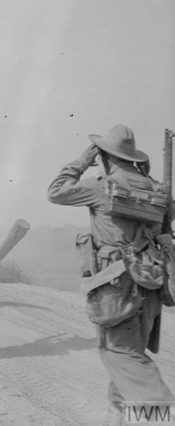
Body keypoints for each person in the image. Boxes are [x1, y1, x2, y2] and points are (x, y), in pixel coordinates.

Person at [47, 124, 174, 425]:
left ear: (104, 155)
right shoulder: (156, 188)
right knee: (128, 356)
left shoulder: (102, 185)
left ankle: (162, 415)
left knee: (122, 356)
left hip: (116, 289)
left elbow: (55, 192)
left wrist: (82, 160)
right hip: (150, 286)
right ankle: (118, 418)